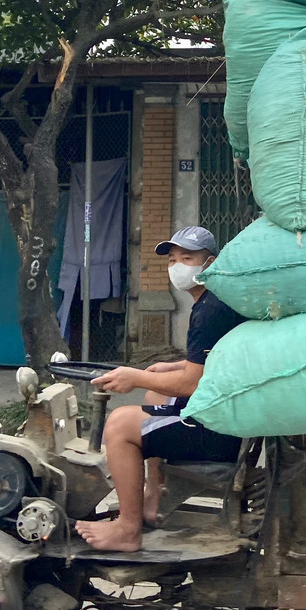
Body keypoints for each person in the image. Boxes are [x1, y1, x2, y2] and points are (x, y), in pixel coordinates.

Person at [76, 225, 245, 551]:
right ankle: (152, 496)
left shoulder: (210, 310)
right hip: (226, 415)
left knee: (120, 424)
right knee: (156, 394)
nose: (176, 267)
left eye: (187, 258)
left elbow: (193, 383)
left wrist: (135, 377)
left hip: (216, 432)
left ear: (208, 263)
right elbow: (215, 364)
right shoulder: (213, 300)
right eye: (171, 260)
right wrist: (174, 366)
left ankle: (127, 530)